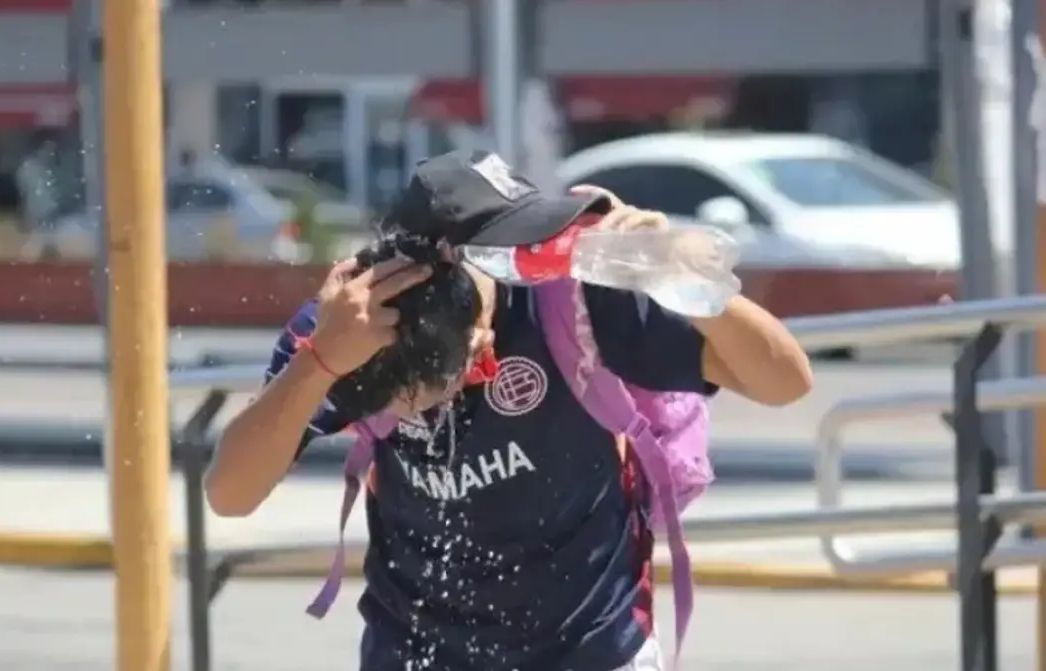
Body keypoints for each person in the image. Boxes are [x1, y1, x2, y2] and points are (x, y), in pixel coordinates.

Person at [205, 150, 812, 671]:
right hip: (415, 652)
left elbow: (786, 382)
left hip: (592, 648)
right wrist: (318, 365)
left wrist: (678, 279)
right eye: (456, 371)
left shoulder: (574, 300)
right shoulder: (346, 327)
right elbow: (230, 494)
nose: (483, 359)